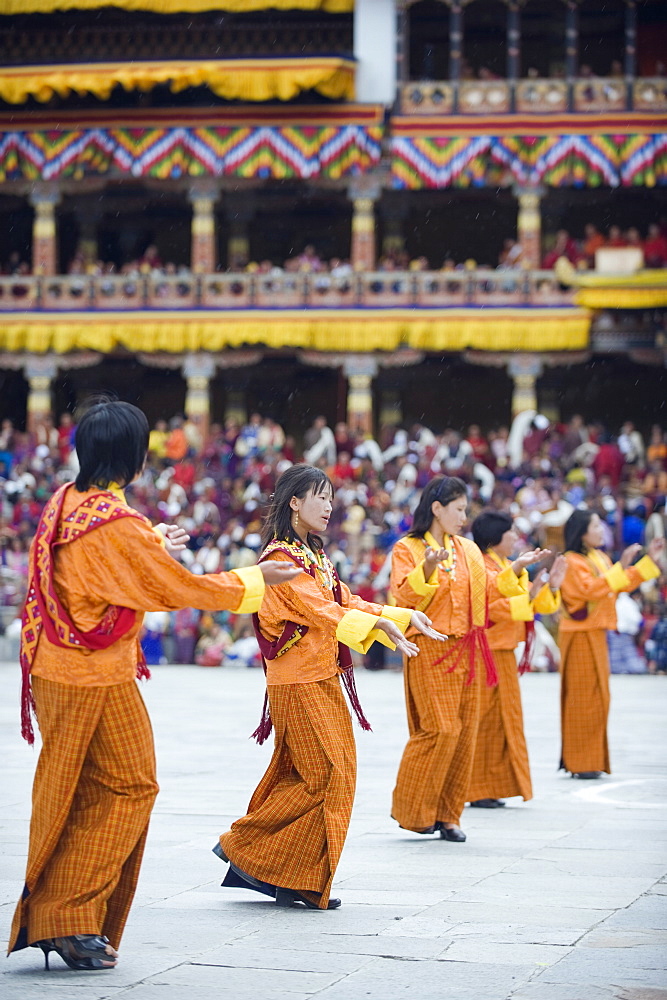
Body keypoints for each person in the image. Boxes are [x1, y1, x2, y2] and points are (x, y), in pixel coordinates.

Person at [8, 400, 301, 973]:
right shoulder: (116, 526)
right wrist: (253, 578)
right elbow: (173, 589)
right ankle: (65, 915)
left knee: (108, 786)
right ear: (135, 457)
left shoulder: (68, 502)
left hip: (72, 669)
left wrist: (149, 542)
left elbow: (114, 562)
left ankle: (66, 916)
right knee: (121, 787)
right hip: (88, 675)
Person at [216, 464, 443, 910]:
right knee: (328, 775)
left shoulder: (314, 557)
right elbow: (322, 610)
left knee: (318, 776)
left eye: (331, 497)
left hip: (321, 677)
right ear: (294, 503)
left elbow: (345, 601)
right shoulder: (279, 561)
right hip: (297, 681)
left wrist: (399, 615)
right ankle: (247, 849)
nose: (329, 505)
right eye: (320, 496)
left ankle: (287, 871)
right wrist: (378, 622)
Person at [389, 476, 498, 844]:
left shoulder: (468, 549)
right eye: (459, 509)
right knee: (439, 728)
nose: (464, 517)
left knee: (465, 733)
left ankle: (449, 815)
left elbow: (486, 590)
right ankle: (414, 811)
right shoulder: (408, 548)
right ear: (437, 508)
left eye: (466, 510)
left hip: (467, 646)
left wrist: (515, 572)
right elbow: (401, 598)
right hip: (429, 646)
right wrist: (429, 570)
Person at [468, 511, 565, 808]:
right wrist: (530, 592)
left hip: (505, 652)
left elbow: (531, 603)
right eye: (510, 532)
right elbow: (491, 608)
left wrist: (553, 587)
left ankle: (493, 786)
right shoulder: (481, 567)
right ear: (495, 538)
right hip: (486, 652)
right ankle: (478, 788)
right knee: (485, 720)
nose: (515, 537)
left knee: (504, 721)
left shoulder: (507, 567)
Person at [558, 509, 663, 778]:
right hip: (579, 636)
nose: (601, 530)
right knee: (583, 699)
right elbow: (591, 589)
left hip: (596, 633)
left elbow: (617, 585)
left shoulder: (600, 557)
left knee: (599, 698)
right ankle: (581, 762)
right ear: (581, 532)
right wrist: (620, 568)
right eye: (595, 525)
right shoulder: (572, 560)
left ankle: (589, 759)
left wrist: (647, 561)